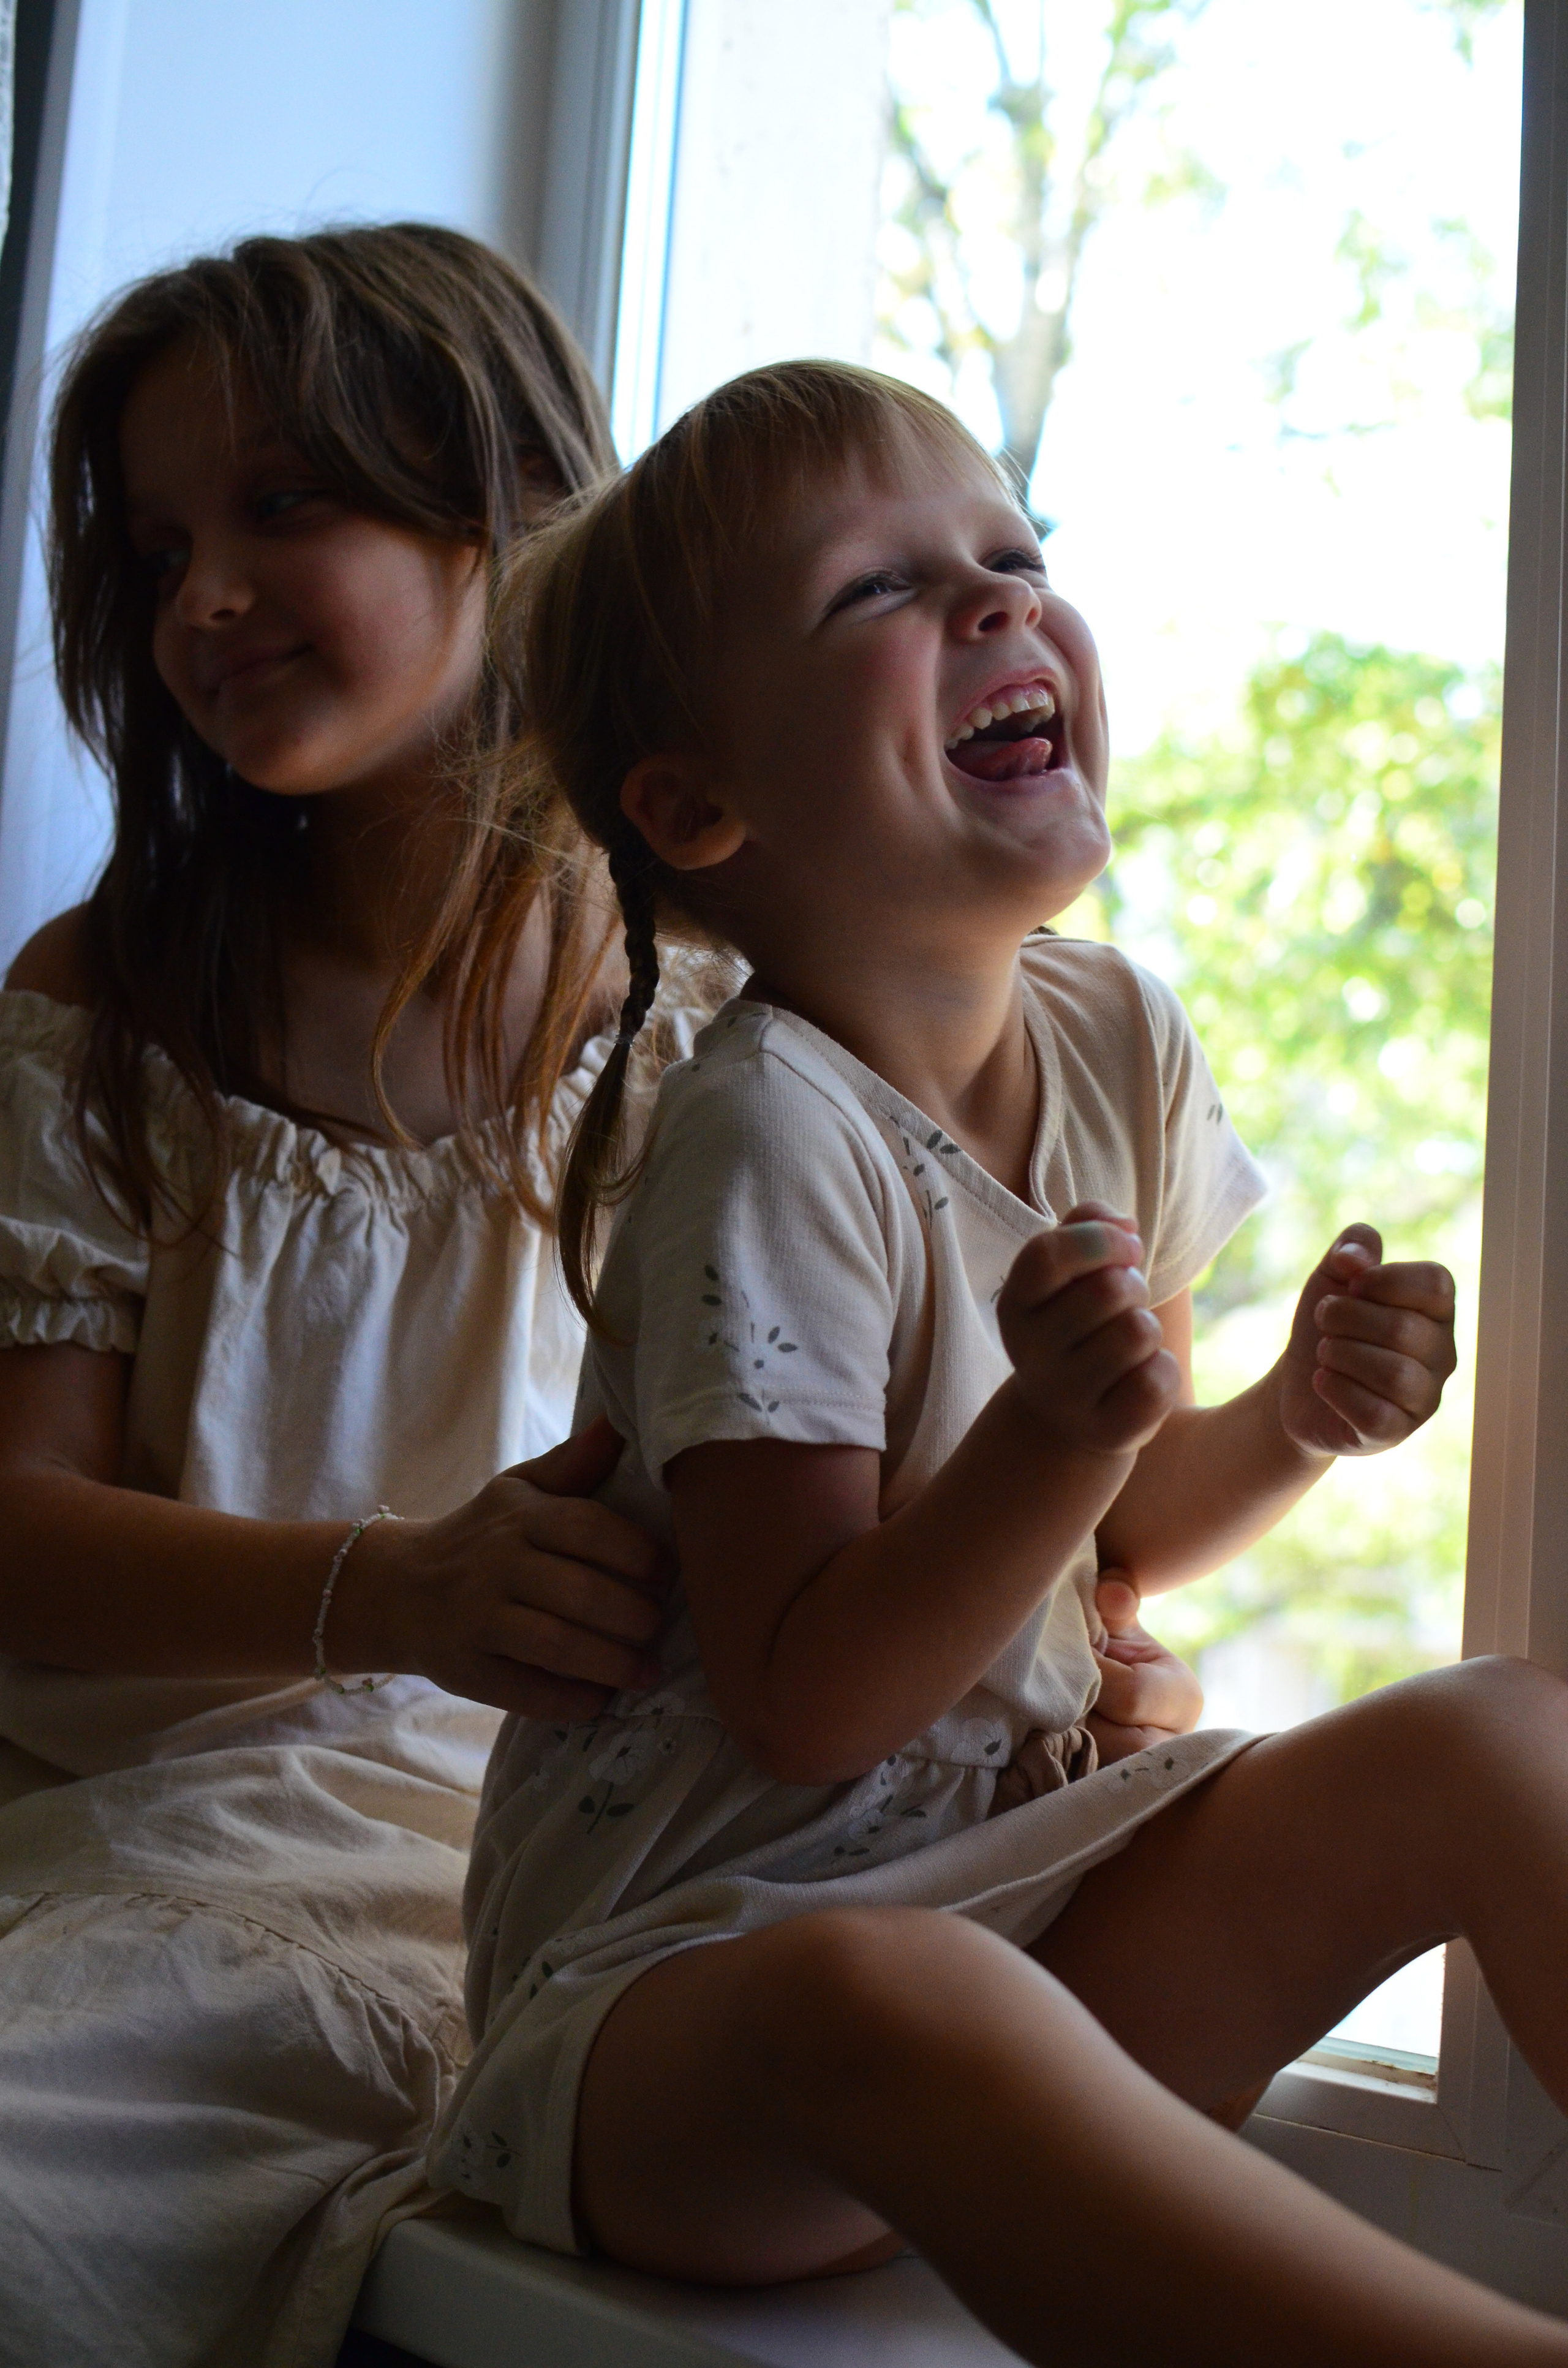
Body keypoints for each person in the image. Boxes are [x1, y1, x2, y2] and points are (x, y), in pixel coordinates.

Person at [0, 236, 1194, 2368]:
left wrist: (1063, 1623)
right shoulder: (104, 1007)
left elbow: (893, 1527)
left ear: (517, 516)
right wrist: (392, 1591)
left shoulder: (766, 1025)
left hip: (652, 1870)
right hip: (181, 1857)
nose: (202, 596)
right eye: (156, 543)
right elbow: (22, 1532)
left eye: (289, 505)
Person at [432, 359, 1568, 2368]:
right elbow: (811, 1696)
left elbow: (1121, 1531)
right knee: (895, 1997)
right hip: (699, 2005)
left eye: (1016, 556)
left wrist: (1291, 1422)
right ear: (701, 805)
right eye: (883, 589)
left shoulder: (1118, 1032)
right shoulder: (765, 1131)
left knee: (1499, 1732)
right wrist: (1056, 1426)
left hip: (1027, 1902)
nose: (999, 604)